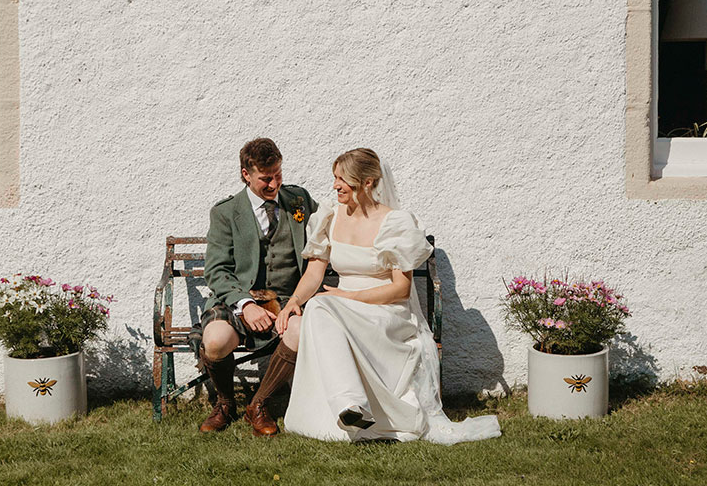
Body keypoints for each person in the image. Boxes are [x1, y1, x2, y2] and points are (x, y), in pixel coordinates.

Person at [277, 148, 501, 443]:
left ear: (368, 182)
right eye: (335, 178)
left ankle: (352, 405)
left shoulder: (395, 223)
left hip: (387, 310)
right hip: (340, 309)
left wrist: (347, 297)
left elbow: (400, 289)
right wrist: (294, 301)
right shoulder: (330, 216)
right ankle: (353, 406)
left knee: (321, 306)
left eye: (344, 180)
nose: (335, 185)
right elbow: (314, 274)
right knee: (318, 306)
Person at [196, 137, 318, 435]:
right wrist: (246, 305)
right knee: (214, 340)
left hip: (289, 299)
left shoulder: (299, 199)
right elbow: (216, 270)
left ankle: (258, 405)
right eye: (266, 178)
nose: (274, 184)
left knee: (301, 331)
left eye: (278, 175)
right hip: (238, 300)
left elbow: (328, 231)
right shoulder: (225, 213)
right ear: (245, 174)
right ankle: (225, 403)